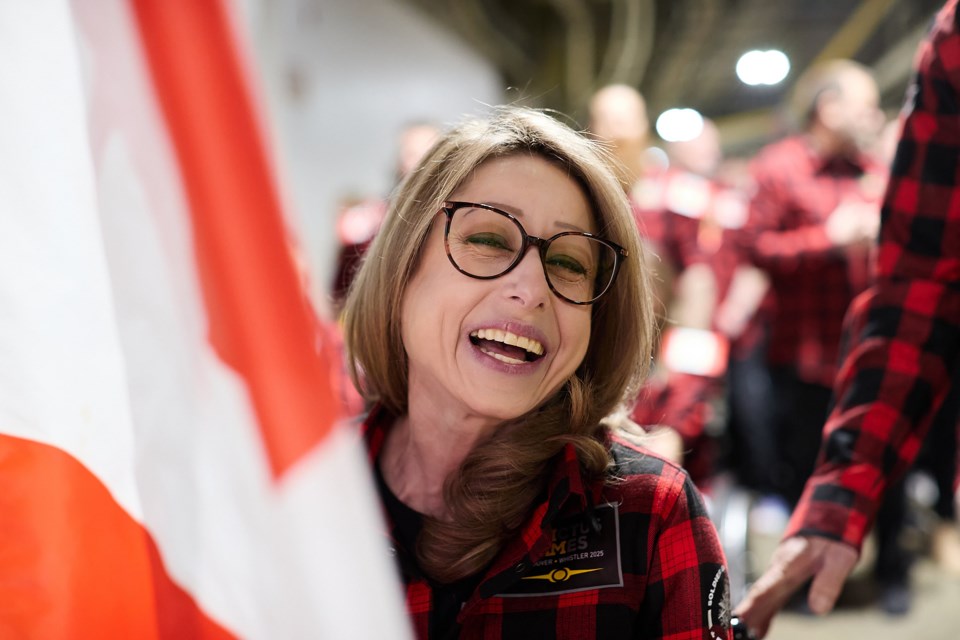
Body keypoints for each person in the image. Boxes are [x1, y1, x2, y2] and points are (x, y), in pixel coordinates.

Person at [341, 106, 734, 639]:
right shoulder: (301, 494)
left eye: (570, 263)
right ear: (402, 266)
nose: (531, 290)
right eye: (487, 241)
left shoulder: (649, 513)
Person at [735, 0, 960, 636]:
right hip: (813, 350)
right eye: (860, 102)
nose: (874, 113)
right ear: (826, 107)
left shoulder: (875, 168)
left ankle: (892, 574)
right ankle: (817, 586)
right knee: (815, 457)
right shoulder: (779, 168)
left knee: (901, 469)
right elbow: (752, 249)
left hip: (876, 348)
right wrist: (828, 240)